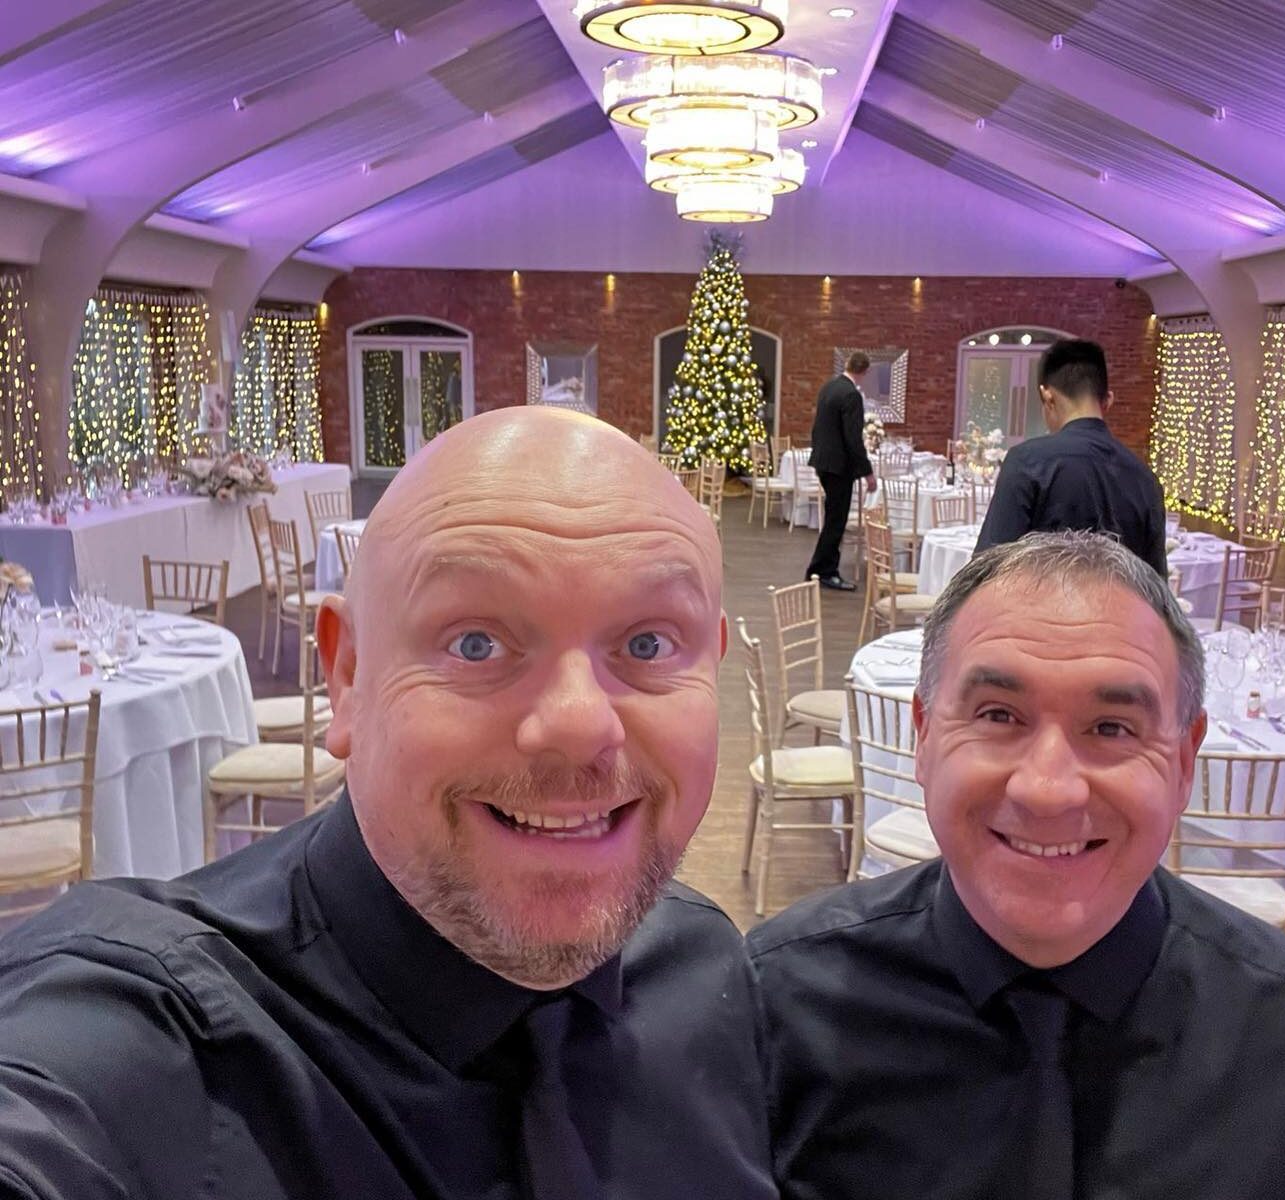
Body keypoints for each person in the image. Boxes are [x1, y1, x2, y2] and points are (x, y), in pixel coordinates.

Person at [0, 409, 777, 1200]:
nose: (578, 727)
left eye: (647, 645)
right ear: (347, 675)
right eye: (475, 643)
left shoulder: (707, 973)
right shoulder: (147, 1048)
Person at [748, 531, 1285, 1199]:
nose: (1048, 790)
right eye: (997, 714)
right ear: (923, 736)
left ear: (1185, 761)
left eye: (1111, 729)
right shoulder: (773, 1010)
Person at [974, 339, 1167, 577]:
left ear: (1048, 397)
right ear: (1108, 401)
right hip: (1119, 613)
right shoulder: (1146, 479)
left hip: (1042, 611)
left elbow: (987, 568)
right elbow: (1156, 586)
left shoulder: (1027, 461)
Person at [804, 351, 877, 591]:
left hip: (824, 463)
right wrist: (868, 473)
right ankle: (825, 570)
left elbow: (819, 428)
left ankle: (819, 567)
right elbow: (853, 439)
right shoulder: (851, 395)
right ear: (865, 372)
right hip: (838, 467)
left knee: (832, 518)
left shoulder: (828, 387)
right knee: (836, 520)